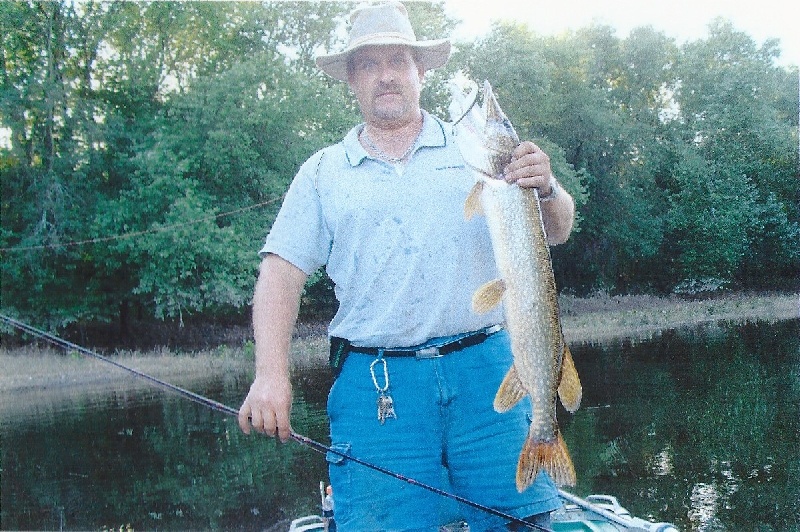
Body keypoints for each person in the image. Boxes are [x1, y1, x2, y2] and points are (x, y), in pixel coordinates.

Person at [238, 2, 575, 530]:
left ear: (422, 71)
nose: (386, 75)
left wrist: (548, 188)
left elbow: (555, 230)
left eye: (398, 60)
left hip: (487, 371)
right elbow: (280, 275)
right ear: (352, 80)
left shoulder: (477, 153)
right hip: (378, 388)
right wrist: (269, 375)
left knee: (522, 523)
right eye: (369, 64)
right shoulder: (323, 171)